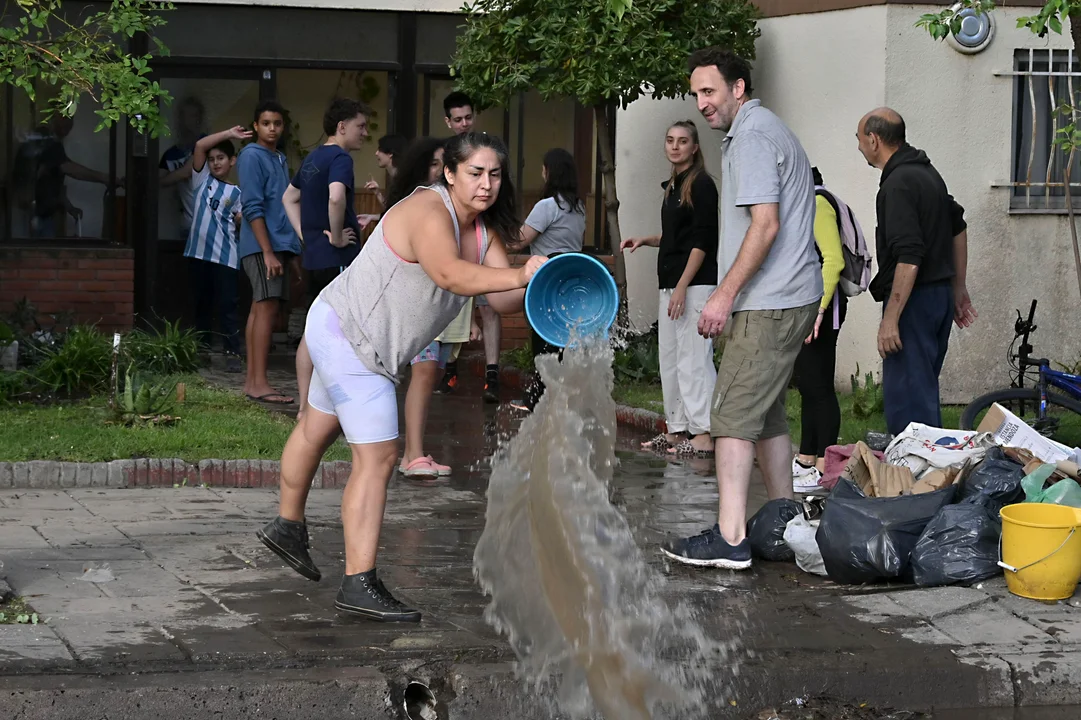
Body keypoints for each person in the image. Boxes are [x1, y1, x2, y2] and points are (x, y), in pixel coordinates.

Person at [256, 132, 546, 623]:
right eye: (475, 173)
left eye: (495, 174)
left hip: (351, 333)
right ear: (449, 173)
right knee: (381, 454)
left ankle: (286, 526)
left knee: (318, 426)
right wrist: (519, 275)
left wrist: (542, 281)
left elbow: (499, 300)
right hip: (350, 336)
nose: (487, 184)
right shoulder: (427, 212)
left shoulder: (484, 231)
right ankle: (359, 582)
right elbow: (450, 275)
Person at [662, 48, 822, 571]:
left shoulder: (752, 135)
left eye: (710, 92)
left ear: (738, 88)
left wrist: (723, 295)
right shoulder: (761, 129)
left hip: (770, 300)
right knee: (766, 413)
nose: (702, 103)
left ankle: (731, 538)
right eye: (696, 94)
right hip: (787, 295)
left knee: (730, 416)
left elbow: (765, 224)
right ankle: (783, 524)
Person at [856, 108, 977, 436]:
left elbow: (909, 257)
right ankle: (927, 477)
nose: (858, 146)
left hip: (915, 299)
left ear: (874, 139)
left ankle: (917, 482)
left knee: (909, 406)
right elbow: (958, 226)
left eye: (859, 138)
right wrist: (958, 286)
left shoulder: (898, 184)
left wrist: (891, 318)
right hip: (936, 297)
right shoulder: (927, 173)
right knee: (921, 393)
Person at [621, 121, 719, 456]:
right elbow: (678, 237)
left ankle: (704, 433)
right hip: (673, 284)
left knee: (695, 359)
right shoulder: (674, 185)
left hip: (693, 285)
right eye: (670, 141)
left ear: (694, 147)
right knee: (672, 359)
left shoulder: (702, 184)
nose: (675, 146)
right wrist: (647, 240)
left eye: (683, 141)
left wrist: (681, 286)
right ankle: (678, 429)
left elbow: (703, 241)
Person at [390, 137, 480, 478]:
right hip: (416, 307)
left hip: (445, 308)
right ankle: (410, 454)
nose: (441, 172)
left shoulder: (457, 211)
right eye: (434, 164)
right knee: (424, 373)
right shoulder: (417, 206)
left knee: (433, 375)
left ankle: (415, 450)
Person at [283, 98, 371, 422]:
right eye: (360, 126)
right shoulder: (340, 158)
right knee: (343, 329)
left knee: (314, 327)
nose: (364, 133)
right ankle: (337, 405)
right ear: (342, 127)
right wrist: (334, 236)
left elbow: (288, 198)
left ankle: (305, 406)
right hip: (338, 257)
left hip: (315, 259)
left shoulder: (312, 158)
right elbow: (336, 196)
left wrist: (306, 236)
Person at [436, 91, 502, 404]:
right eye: (457, 119)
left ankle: (492, 375)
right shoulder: (446, 156)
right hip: (456, 249)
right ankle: (448, 366)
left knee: (491, 307)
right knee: (451, 304)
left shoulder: (488, 148)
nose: (464, 123)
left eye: (468, 117)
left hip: (481, 240)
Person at [509, 148, 586, 413]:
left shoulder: (547, 206)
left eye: (544, 169)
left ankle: (537, 398)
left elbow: (519, 241)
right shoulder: (578, 207)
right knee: (565, 339)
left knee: (542, 339)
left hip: (545, 277)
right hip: (570, 280)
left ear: (549, 172)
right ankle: (561, 397)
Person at [238, 100, 301, 406]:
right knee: (266, 309)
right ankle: (259, 382)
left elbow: (282, 204)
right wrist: (268, 252)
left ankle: (254, 382)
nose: (272, 129)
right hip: (263, 246)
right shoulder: (251, 155)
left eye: (277, 123)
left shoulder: (277, 157)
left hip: (277, 245)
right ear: (255, 126)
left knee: (260, 308)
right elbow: (252, 206)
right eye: (266, 123)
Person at [791, 167, 848, 492]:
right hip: (811, 306)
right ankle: (806, 460)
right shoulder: (807, 204)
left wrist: (819, 311)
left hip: (822, 308)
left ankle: (826, 470)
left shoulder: (817, 203)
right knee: (809, 386)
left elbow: (833, 261)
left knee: (820, 387)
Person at [182, 125, 251, 373]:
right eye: (211, 160)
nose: (215, 163)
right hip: (197, 255)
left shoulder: (238, 192)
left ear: (232, 161)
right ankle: (202, 352)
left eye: (220, 158)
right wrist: (229, 134)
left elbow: (242, 220)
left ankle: (233, 354)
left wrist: (242, 219)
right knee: (201, 307)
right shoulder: (201, 180)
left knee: (228, 308)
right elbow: (200, 146)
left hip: (226, 258)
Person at [13, 115, 121, 238]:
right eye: (65, 117)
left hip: (42, 215)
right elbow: (70, 169)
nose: (69, 123)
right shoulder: (46, 140)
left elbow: (52, 182)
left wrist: (69, 208)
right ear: (55, 118)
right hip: (30, 214)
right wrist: (105, 178)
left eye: (71, 118)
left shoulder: (51, 145)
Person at [159, 97, 207, 238]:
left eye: (194, 116)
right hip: (187, 223)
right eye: (186, 116)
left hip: (209, 224)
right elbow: (158, 180)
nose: (190, 121)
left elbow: (187, 171)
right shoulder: (171, 154)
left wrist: (169, 178)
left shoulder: (206, 143)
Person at [365, 133, 407, 207]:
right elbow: (391, 209)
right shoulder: (396, 178)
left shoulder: (404, 180)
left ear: (390, 153)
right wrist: (377, 192)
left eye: (380, 150)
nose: (376, 153)